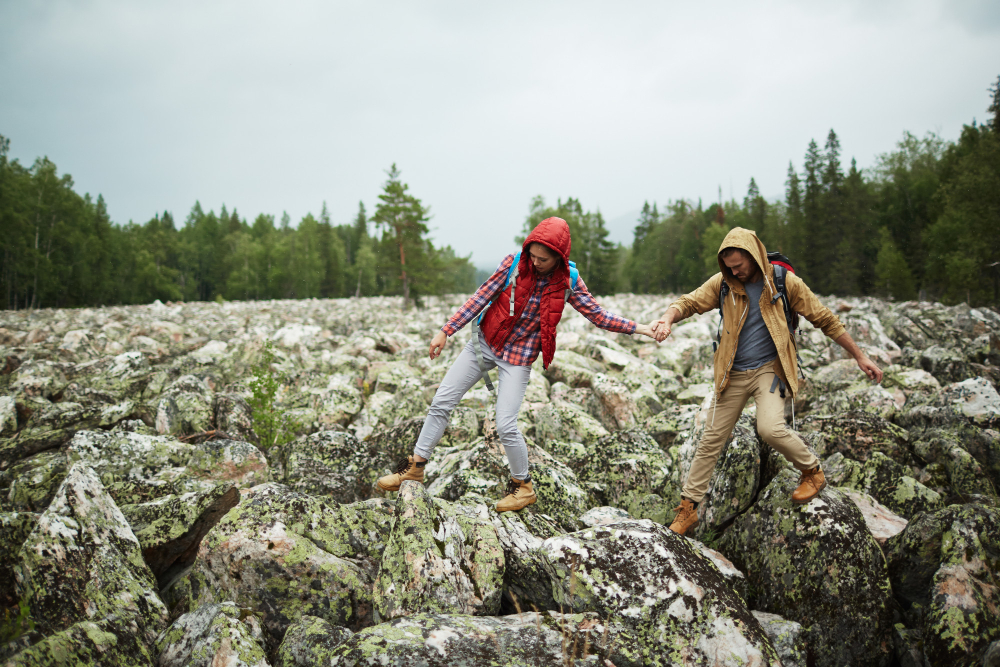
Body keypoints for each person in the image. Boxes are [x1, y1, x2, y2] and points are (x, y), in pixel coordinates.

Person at [376, 217, 658, 511]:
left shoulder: (569, 282)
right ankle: (416, 468)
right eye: (532, 255)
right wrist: (446, 330)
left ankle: (523, 486)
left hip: (519, 358)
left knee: (506, 423)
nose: (535, 262)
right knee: (441, 401)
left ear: (559, 258)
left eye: (543, 259)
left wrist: (642, 328)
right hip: (483, 345)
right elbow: (480, 297)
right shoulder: (513, 264)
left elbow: (599, 316)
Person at [654, 227, 883, 535]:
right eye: (729, 267)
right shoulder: (723, 283)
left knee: (770, 428)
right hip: (732, 373)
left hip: (769, 370)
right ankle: (688, 509)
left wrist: (860, 356)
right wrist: (667, 318)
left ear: (754, 255)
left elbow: (825, 318)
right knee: (710, 439)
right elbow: (689, 302)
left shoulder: (784, 282)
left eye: (739, 265)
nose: (734, 271)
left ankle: (812, 471)